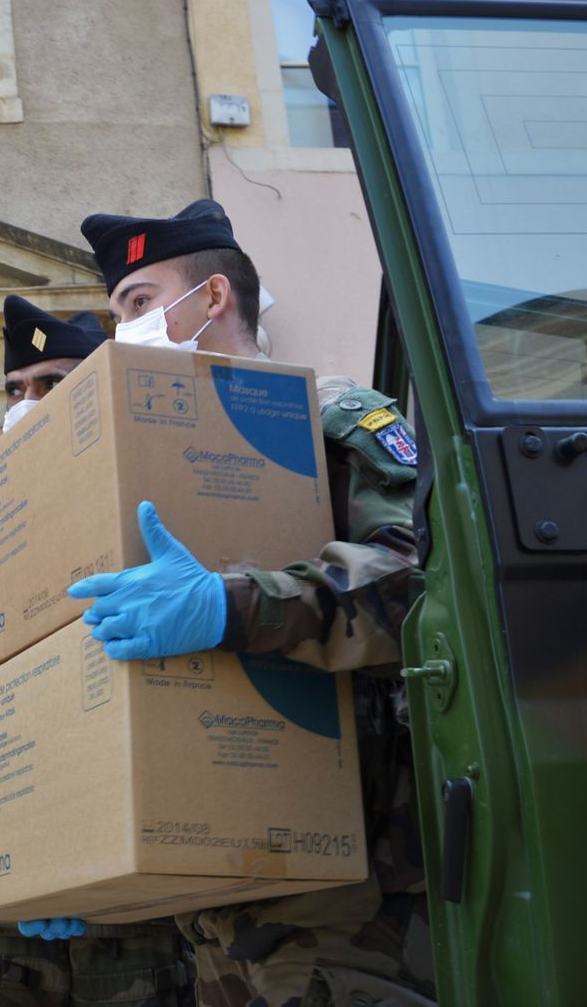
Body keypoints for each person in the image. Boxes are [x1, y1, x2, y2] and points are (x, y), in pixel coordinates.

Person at [67, 200, 432, 1007]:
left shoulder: (334, 419)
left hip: (350, 896)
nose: (123, 329)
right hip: (207, 907)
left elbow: (425, 589)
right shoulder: (128, 464)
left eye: (137, 303)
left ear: (213, 298)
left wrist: (232, 606)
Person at [0, 294, 195, 1007]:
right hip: (2, 930)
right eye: (16, 388)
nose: (30, 401)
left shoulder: (155, 511)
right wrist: (4, 774)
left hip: (143, 922)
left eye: (53, 383)